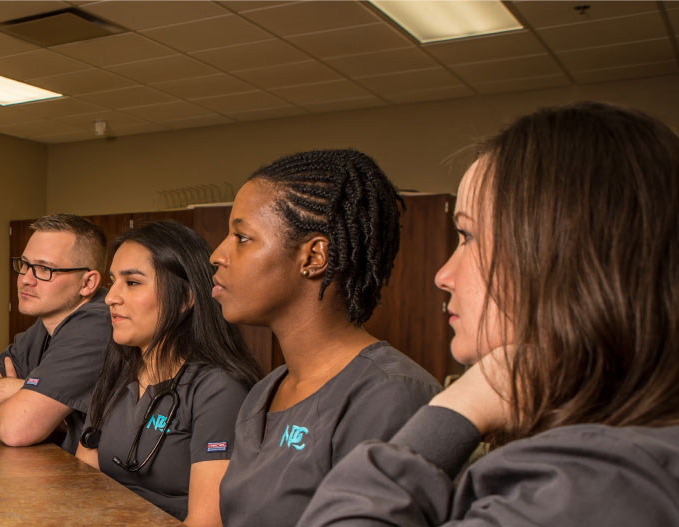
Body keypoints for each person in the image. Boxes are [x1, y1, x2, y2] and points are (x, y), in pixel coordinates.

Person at [300, 103, 679, 526]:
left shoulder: (595, 487)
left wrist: (460, 406)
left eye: (468, 236)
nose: (443, 275)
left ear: (564, 258)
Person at [211, 149, 441, 526]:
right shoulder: (264, 392)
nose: (217, 255)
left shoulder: (391, 395)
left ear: (314, 256)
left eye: (242, 237)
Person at [74, 221, 261, 526]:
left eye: (132, 283)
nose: (110, 297)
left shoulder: (217, 391)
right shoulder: (117, 375)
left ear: (186, 298)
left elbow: (206, 522)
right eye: (113, 281)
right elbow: (84, 480)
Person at [0, 214, 110, 452]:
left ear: (87, 283)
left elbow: (15, 428)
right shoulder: (42, 328)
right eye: (24, 264)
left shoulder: (97, 322)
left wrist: (14, 395)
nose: (25, 279)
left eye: (45, 269)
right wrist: (4, 389)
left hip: (108, 485)